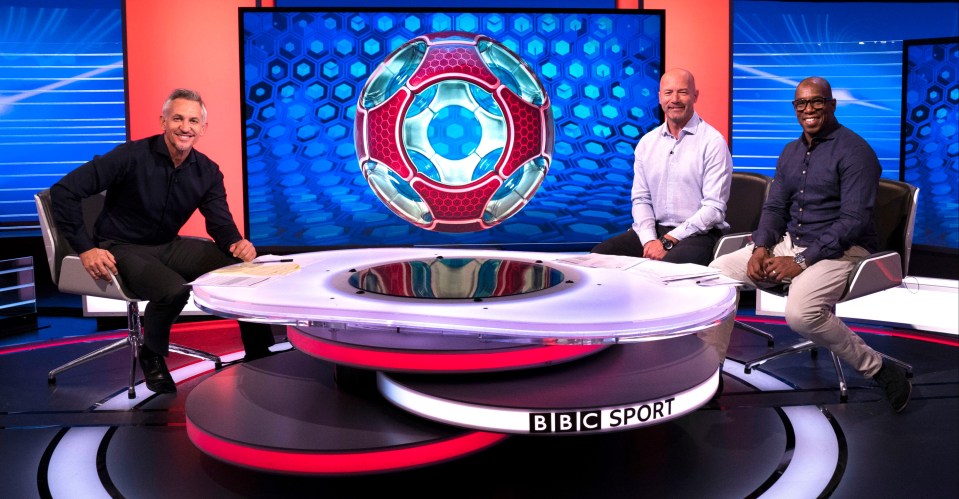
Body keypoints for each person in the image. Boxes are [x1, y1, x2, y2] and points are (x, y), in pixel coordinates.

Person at [50, 88, 275, 394]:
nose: (185, 127)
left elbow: (220, 223)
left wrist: (237, 242)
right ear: (163, 121)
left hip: (168, 245)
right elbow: (64, 192)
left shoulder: (207, 171)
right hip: (121, 247)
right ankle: (152, 354)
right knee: (172, 291)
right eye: (178, 118)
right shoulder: (129, 156)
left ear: (203, 128)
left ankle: (259, 352)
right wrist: (86, 248)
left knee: (245, 270)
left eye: (193, 121)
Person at [709, 76, 912, 412]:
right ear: (794, 108)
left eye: (816, 101)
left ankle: (879, 368)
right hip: (793, 242)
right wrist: (761, 248)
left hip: (843, 250)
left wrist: (800, 262)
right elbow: (774, 207)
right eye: (801, 103)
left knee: (801, 315)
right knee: (716, 276)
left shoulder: (856, 151)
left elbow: (853, 222)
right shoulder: (790, 151)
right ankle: (711, 373)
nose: (809, 109)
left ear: (831, 105)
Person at [591, 68, 733, 266]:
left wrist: (667, 241)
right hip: (655, 231)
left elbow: (713, 209)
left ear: (695, 96)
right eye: (668, 92)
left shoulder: (713, 142)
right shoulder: (647, 143)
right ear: (660, 97)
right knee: (599, 257)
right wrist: (649, 239)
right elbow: (641, 199)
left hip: (697, 234)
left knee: (665, 270)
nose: (674, 99)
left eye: (682, 92)